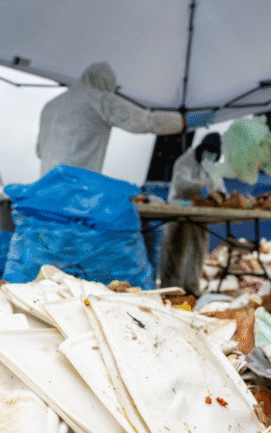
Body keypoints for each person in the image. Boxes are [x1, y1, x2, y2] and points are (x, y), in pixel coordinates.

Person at [36, 61, 215, 176]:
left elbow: (39, 151)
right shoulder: (100, 99)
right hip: (76, 189)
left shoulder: (50, 106)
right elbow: (145, 121)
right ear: (105, 83)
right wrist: (183, 122)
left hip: (45, 187)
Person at [159, 133, 226, 295]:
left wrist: (219, 195)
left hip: (200, 214)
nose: (210, 156)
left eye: (214, 154)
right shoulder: (184, 162)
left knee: (198, 250)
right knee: (176, 248)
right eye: (208, 151)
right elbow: (182, 185)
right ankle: (171, 289)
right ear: (201, 149)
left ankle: (191, 288)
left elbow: (220, 188)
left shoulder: (212, 168)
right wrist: (204, 190)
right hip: (180, 209)